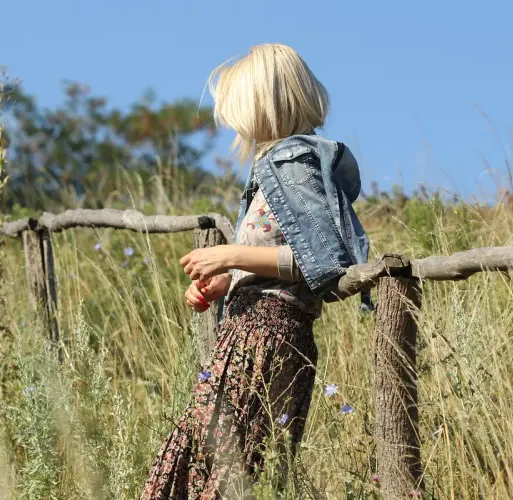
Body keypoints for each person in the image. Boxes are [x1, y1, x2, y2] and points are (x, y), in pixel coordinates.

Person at [140, 43, 370, 499]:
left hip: (266, 338)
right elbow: (281, 257)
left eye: (238, 109)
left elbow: (323, 263)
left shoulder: (292, 164)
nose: (234, 123)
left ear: (263, 104)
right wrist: (227, 281)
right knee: (218, 475)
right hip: (255, 332)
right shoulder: (274, 168)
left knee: (218, 477)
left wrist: (230, 256)